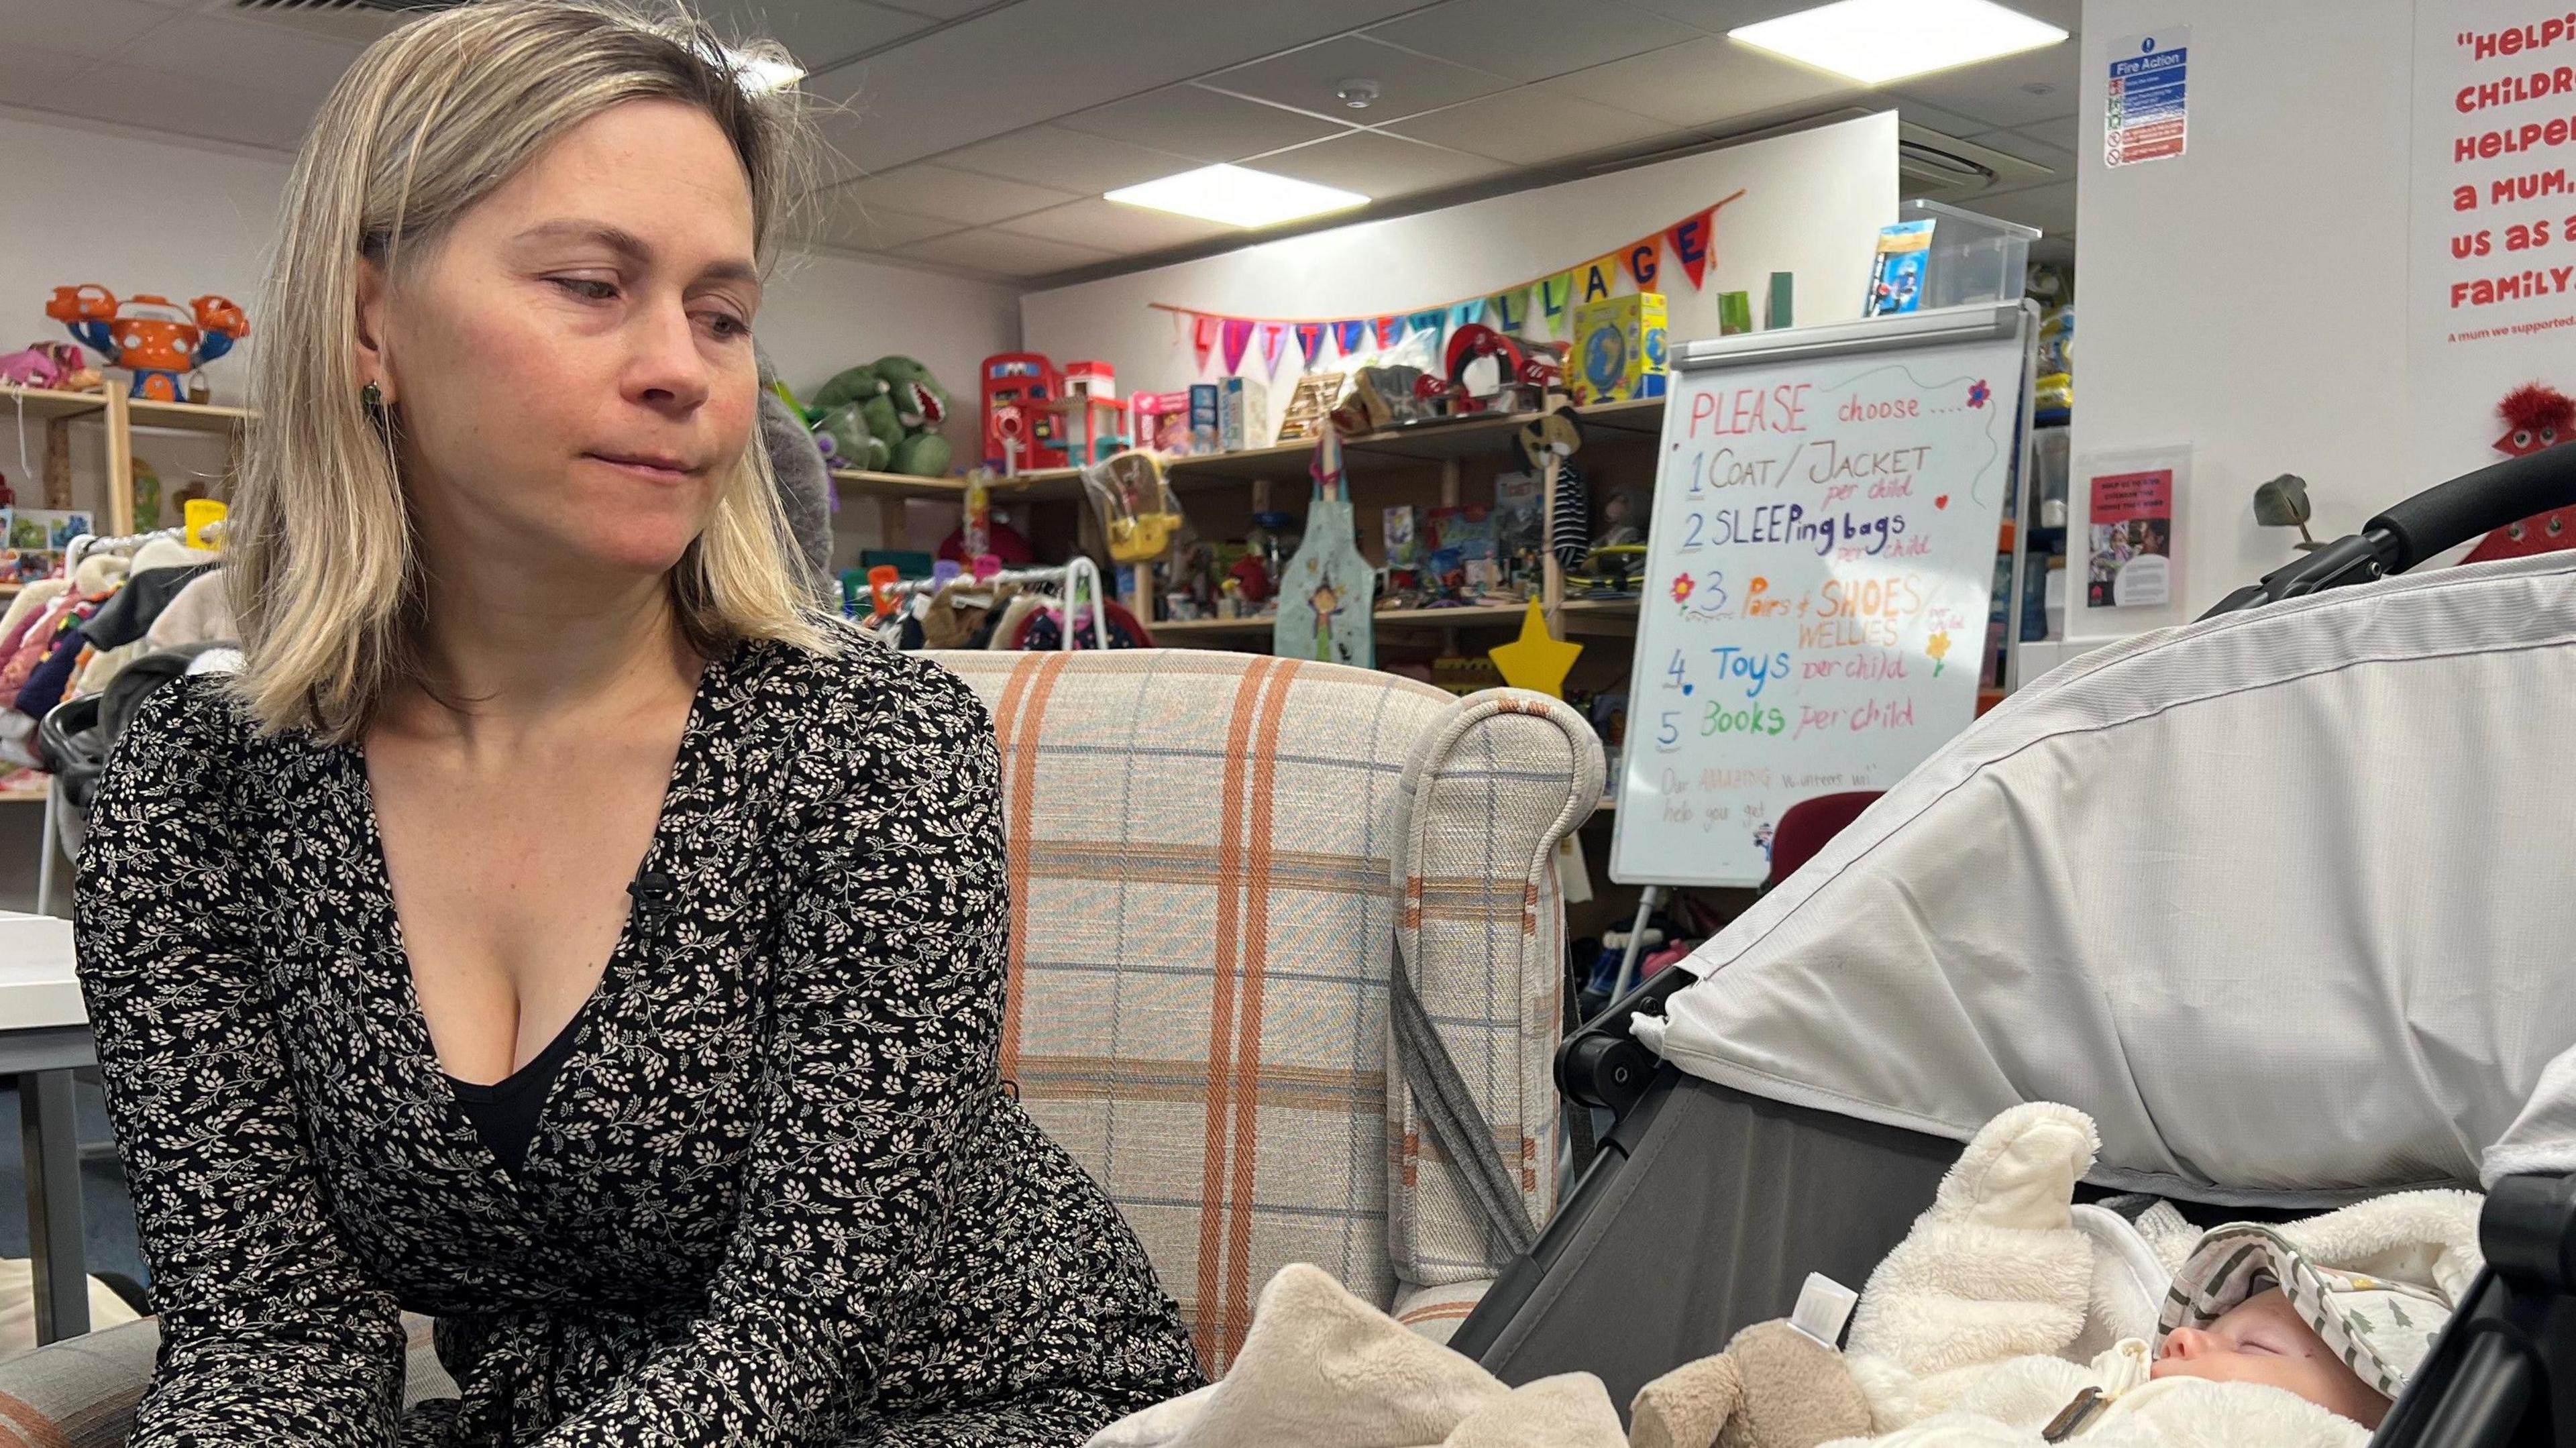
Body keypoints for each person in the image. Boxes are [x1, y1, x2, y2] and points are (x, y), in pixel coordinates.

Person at [70, 3, 1201, 1443]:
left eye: (721, 314)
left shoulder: (872, 748)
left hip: (982, 1406)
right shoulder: (197, 795)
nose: (685, 368)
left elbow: (798, 1335)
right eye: (593, 285)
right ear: (371, 323)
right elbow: (268, 1339)